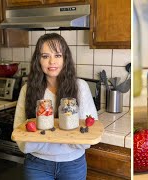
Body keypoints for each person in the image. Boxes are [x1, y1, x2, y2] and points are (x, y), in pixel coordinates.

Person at [13, 33, 98, 180]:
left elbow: (89, 131)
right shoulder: (27, 90)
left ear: (65, 59)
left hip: (73, 164)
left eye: (57, 55)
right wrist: (58, 142)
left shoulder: (80, 87)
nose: (52, 61)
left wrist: (45, 140)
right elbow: (19, 131)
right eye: (45, 56)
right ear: (38, 60)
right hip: (37, 164)